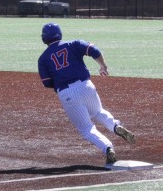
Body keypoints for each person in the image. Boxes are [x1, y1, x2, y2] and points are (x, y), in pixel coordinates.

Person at [38, 23, 135, 164]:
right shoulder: (74, 44)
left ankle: (107, 147)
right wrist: (103, 66)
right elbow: (94, 50)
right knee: (98, 112)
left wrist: (60, 79)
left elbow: (47, 83)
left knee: (86, 128)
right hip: (86, 85)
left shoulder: (43, 58)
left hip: (67, 92)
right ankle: (115, 126)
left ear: (44, 38)